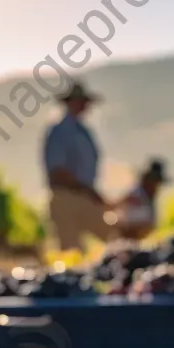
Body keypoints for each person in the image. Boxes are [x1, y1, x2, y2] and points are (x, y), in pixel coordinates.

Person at [43, 81, 112, 252]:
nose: (85, 106)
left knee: (112, 238)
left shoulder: (83, 131)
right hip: (67, 198)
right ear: (71, 103)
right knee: (72, 252)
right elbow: (58, 171)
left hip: (84, 197)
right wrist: (88, 190)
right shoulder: (60, 131)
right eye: (81, 102)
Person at [112, 158, 169, 240]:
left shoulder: (148, 198)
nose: (157, 186)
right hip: (128, 239)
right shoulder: (135, 196)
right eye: (155, 181)